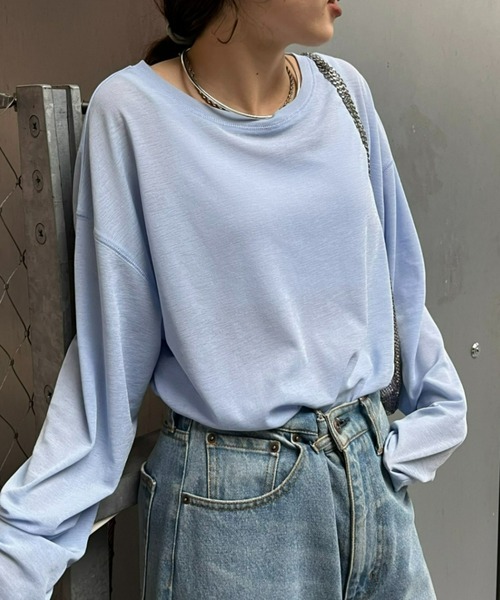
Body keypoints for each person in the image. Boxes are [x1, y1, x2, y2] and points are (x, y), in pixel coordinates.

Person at [0, 0, 467, 598]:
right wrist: (19, 554)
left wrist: (438, 416)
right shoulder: (133, 113)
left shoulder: (344, 91)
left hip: (373, 483)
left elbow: (398, 282)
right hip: (235, 519)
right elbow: (108, 362)